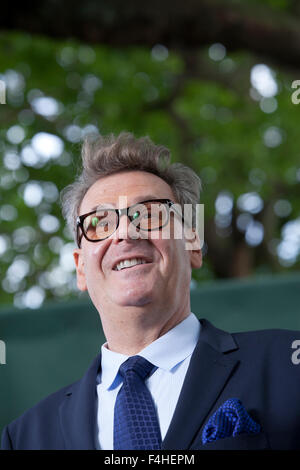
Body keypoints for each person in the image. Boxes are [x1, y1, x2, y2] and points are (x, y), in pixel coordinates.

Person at [1, 132, 300, 450]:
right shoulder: (23, 439)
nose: (125, 232)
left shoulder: (288, 366)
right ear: (80, 268)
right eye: (100, 222)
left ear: (192, 245)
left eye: (150, 214)